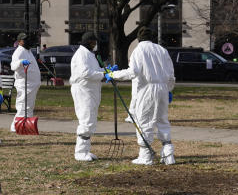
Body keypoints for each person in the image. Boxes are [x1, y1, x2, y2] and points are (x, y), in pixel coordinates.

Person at [110, 26, 176, 165]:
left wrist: (113, 75)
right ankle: (168, 155)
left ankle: (146, 156)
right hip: (162, 88)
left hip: (147, 90)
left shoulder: (139, 50)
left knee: (144, 121)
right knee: (162, 120)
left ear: (139, 38)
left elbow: (133, 72)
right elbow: (171, 75)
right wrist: (169, 90)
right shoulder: (162, 50)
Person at [70, 32, 110, 162]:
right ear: (89, 42)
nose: (95, 44)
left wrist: (106, 71)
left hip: (90, 90)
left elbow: (94, 70)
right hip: (83, 90)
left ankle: (85, 150)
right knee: (86, 120)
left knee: (90, 120)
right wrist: (103, 75)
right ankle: (80, 152)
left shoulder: (89, 54)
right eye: (94, 42)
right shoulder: (82, 54)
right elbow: (85, 73)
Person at [10, 32, 41, 132]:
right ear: (19, 42)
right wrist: (20, 62)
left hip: (32, 84)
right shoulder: (19, 51)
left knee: (29, 106)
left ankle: (26, 126)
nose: (27, 41)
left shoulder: (28, 51)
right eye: (24, 40)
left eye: (28, 39)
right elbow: (13, 65)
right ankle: (16, 127)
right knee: (23, 105)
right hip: (25, 84)